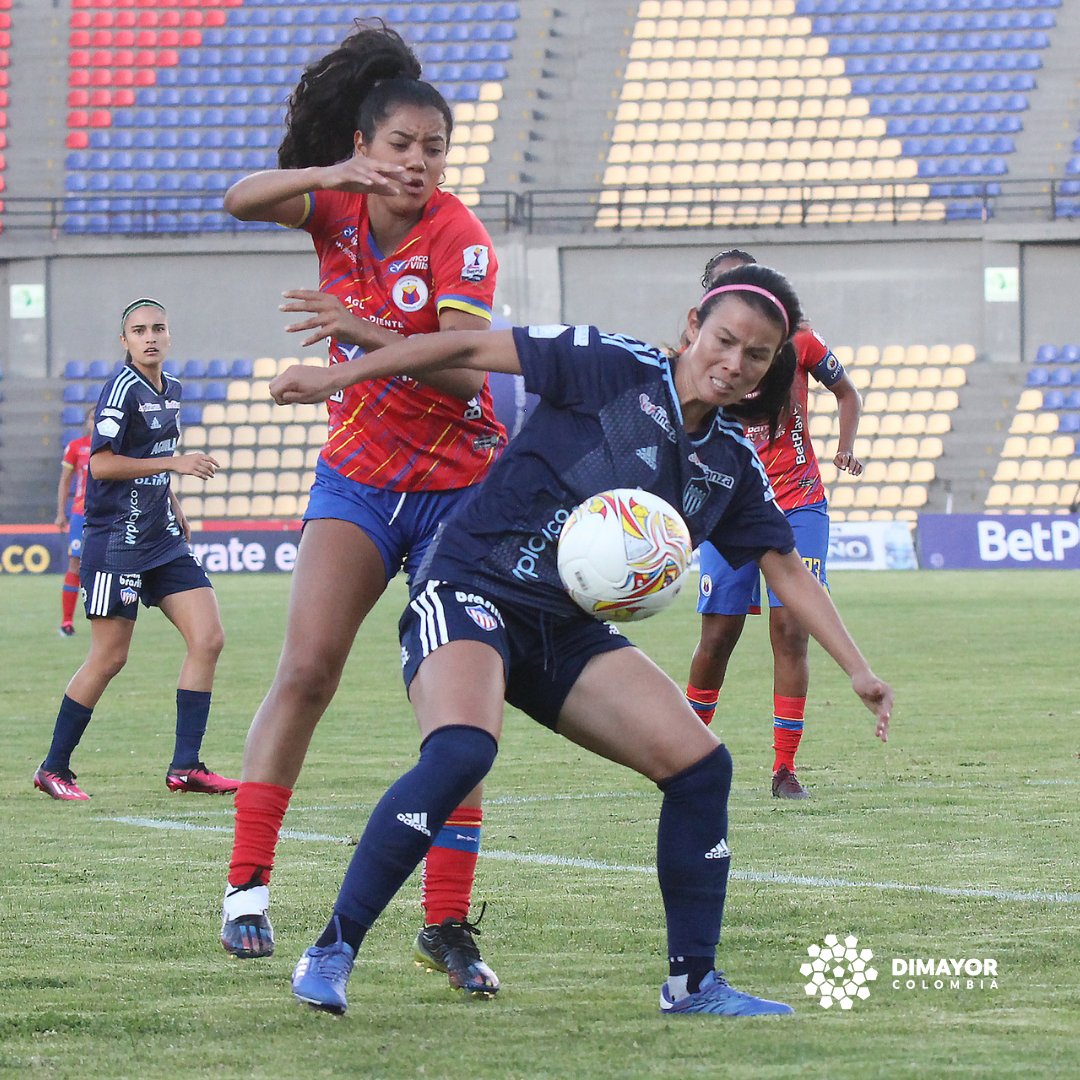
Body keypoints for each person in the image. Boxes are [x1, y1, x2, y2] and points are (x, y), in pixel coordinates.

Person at [267, 262, 893, 1017]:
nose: (734, 364)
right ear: (694, 326)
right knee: (463, 749)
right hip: (472, 587)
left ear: (771, 367)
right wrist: (343, 376)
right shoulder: (610, 364)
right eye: (724, 340)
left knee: (701, 769)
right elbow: (458, 350)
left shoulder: (730, 462)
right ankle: (332, 949)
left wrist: (858, 670)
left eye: (756, 356)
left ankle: (693, 984)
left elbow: (786, 570)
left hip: (565, 629)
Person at [217, 21, 507, 997]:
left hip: (460, 495)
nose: (420, 164)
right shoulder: (336, 205)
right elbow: (238, 198)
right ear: (367, 144)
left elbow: (469, 380)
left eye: (435, 149)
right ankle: (247, 891)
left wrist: (360, 328)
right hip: (357, 483)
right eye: (401, 146)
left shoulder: (461, 240)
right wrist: (333, 169)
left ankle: (445, 927)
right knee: (305, 668)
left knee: (459, 721)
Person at [33, 298, 237, 802]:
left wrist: (173, 500)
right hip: (116, 543)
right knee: (109, 658)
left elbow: (146, 458)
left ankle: (186, 766)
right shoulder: (120, 389)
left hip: (161, 537)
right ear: (124, 341)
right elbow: (101, 465)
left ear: (169, 337)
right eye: (139, 330)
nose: (150, 336)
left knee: (208, 638)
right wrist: (174, 463)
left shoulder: (173, 391)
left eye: (158, 328)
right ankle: (53, 767)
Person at [683, 249, 863, 800]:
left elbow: (846, 391)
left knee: (791, 629)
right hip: (727, 503)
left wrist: (845, 448)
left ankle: (785, 768)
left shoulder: (800, 343)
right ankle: (684, 750)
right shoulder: (696, 356)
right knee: (719, 633)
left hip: (797, 500)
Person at [55, 407, 95, 637]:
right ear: (87, 422)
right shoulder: (77, 447)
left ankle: (104, 619)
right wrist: (61, 512)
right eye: (92, 417)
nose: (95, 421)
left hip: (106, 515)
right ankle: (67, 622)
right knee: (75, 564)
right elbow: (65, 481)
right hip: (81, 513)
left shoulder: (114, 446)